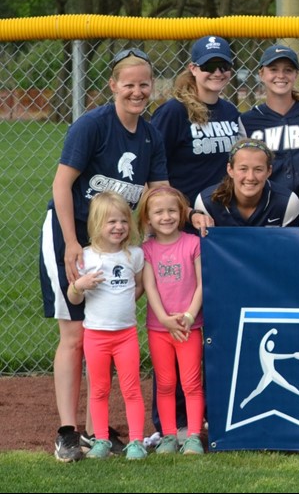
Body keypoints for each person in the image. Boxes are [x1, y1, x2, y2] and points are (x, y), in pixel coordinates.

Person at [40, 48, 168, 462]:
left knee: (109, 329)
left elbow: (158, 192)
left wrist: (150, 241)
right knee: (75, 334)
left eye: (143, 84)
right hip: (71, 231)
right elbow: (62, 186)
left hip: (115, 240)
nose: (136, 91)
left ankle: (98, 430)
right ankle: (67, 431)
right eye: (128, 84)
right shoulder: (92, 125)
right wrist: (71, 243)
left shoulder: (150, 134)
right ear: (113, 85)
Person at [65, 192, 147, 460]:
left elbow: (138, 285)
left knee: (131, 388)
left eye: (124, 220)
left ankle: (136, 442)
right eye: (111, 221)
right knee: (98, 389)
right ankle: (100, 440)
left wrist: (122, 301)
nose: (119, 226)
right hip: (96, 335)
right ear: (96, 224)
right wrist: (80, 285)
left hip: (126, 335)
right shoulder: (86, 257)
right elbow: (72, 296)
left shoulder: (134, 255)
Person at [137, 186, 205, 456]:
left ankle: (193, 436)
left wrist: (188, 315)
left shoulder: (192, 243)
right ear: (147, 218)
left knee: (190, 382)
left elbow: (202, 284)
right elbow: (150, 288)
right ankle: (168, 435)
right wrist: (165, 319)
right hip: (160, 327)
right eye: (158, 212)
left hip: (190, 326)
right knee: (165, 383)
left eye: (172, 211)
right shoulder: (147, 250)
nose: (166, 217)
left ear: (182, 213)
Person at [151, 35, 244, 205]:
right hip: (183, 215)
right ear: (193, 69)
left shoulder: (230, 111)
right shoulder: (174, 112)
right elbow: (153, 168)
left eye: (224, 66)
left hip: (223, 212)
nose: (217, 73)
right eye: (209, 66)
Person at [241, 44, 299, 195]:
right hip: (270, 202)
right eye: (273, 69)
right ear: (261, 73)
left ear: (296, 74)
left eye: (288, 70)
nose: (281, 76)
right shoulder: (248, 121)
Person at [191, 138, 299, 230]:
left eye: (258, 169)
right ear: (230, 170)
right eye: (243, 169)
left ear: (269, 171)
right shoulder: (208, 203)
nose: (250, 177)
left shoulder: (287, 203)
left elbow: (291, 250)